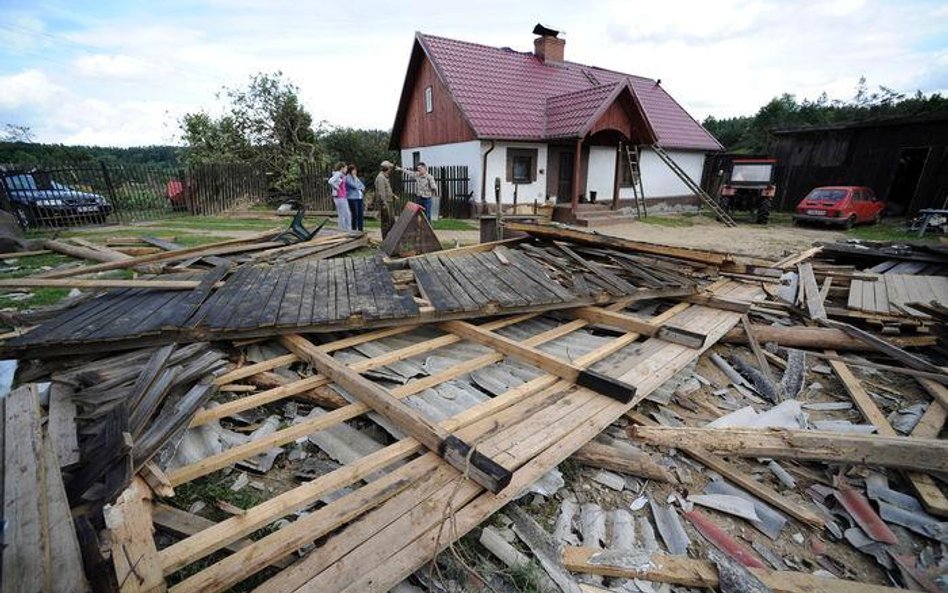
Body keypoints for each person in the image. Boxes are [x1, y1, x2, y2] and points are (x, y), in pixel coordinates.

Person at [375, 160, 396, 238]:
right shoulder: (380, 178)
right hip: (385, 203)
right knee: (386, 222)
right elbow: (381, 192)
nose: (391, 170)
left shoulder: (384, 177)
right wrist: (384, 204)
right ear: (387, 169)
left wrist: (393, 195)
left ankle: (390, 239)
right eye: (390, 168)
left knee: (392, 221)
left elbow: (386, 189)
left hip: (389, 202)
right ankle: (385, 239)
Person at [328, 161, 350, 231]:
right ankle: (344, 230)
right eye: (346, 168)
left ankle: (345, 229)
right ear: (342, 168)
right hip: (340, 197)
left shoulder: (341, 175)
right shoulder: (338, 173)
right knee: (345, 214)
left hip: (342, 196)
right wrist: (337, 188)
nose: (346, 170)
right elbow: (330, 181)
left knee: (345, 214)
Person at [345, 163, 365, 231]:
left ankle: (360, 229)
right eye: (353, 170)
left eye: (355, 170)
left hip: (359, 198)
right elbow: (354, 186)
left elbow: (362, 186)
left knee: (360, 214)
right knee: (355, 214)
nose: (355, 172)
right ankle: (354, 229)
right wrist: (358, 186)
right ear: (350, 171)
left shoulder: (356, 177)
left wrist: (359, 187)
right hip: (352, 198)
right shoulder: (348, 177)